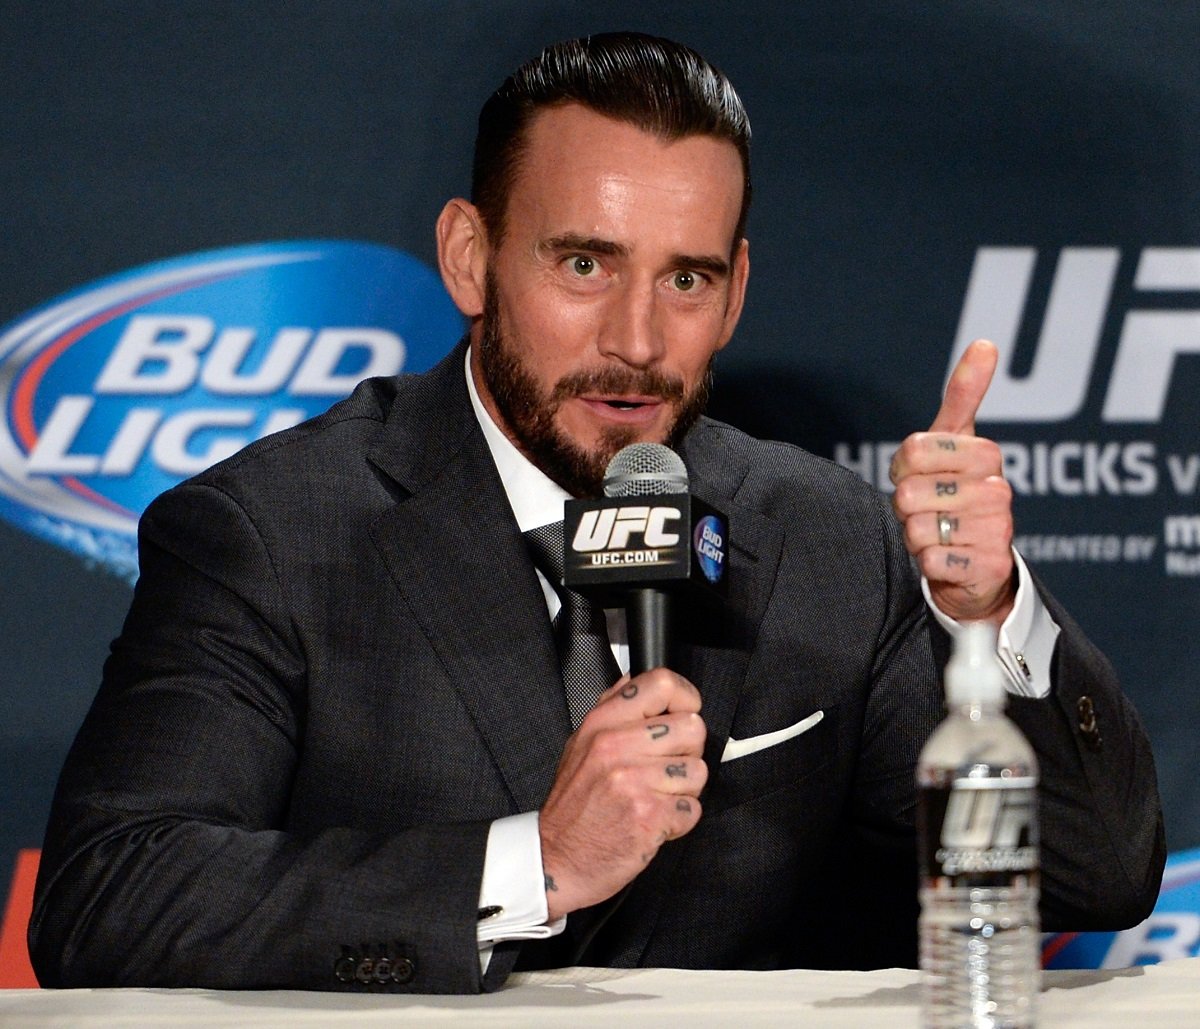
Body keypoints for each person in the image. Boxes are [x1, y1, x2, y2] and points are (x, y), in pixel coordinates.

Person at [30, 32, 1164, 993]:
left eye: (687, 280)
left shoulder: (824, 533)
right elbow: (109, 898)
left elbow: (1093, 878)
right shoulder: (274, 534)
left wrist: (987, 612)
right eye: (584, 264)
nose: (635, 339)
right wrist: (536, 864)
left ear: (737, 293)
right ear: (471, 260)